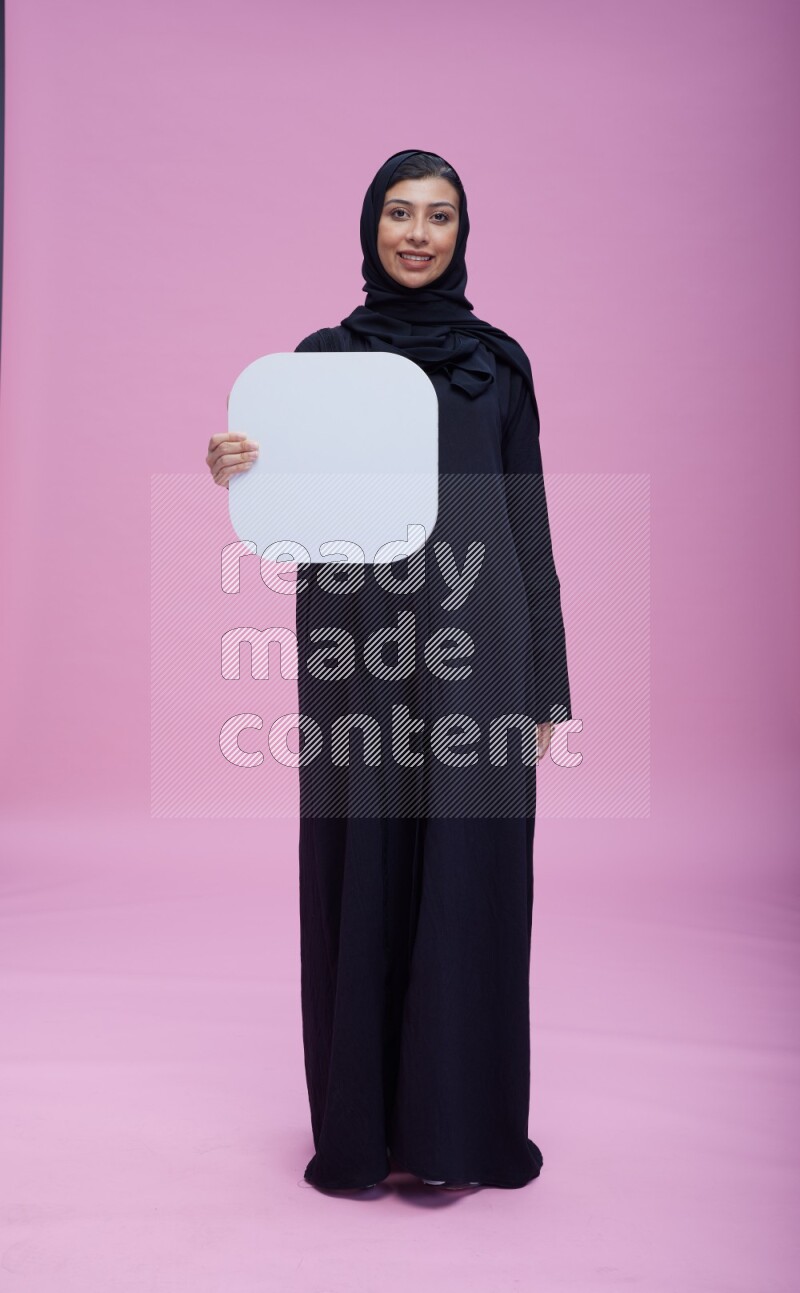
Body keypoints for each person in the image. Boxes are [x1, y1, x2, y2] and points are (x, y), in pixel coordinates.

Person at [206, 149, 572, 1194]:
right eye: (399, 214)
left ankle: (455, 1137)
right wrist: (233, 464)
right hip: (355, 646)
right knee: (361, 866)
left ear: (462, 234)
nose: (416, 233)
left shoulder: (498, 366)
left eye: (439, 216)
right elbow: (274, 501)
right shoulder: (314, 364)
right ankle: (365, 1137)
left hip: (480, 649)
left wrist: (546, 684)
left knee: (468, 877)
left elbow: (527, 525)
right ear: (368, 227)